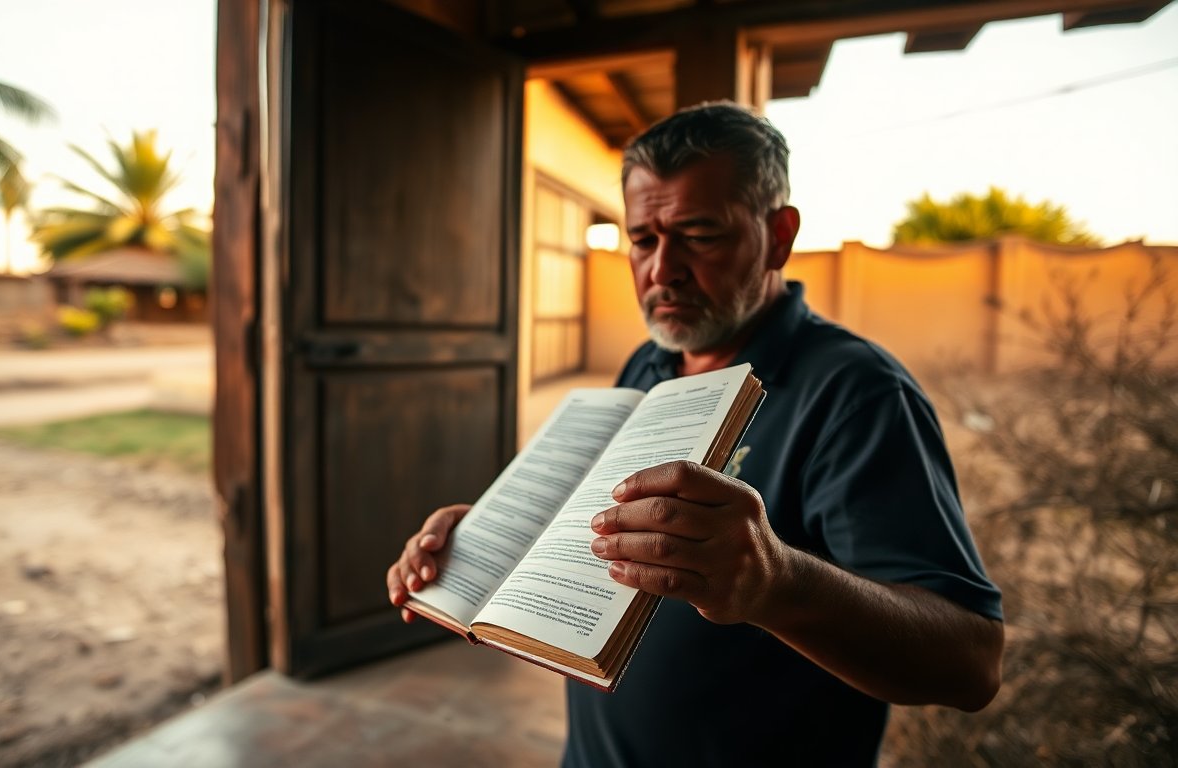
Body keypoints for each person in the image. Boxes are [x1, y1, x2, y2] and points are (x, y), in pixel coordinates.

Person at [387, 101, 1004, 767]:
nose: (662, 270)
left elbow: (970, 664)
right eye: (642, 240)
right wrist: (495, 541)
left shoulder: (855, 394)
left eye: (700, 235)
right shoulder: (649, 364)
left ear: (778, 236)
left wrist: (777, 582)